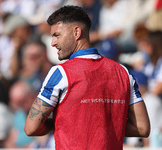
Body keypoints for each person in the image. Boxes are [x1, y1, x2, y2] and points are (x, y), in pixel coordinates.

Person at [24, 5, 150, 150]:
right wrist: (102, 127)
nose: (53, 42)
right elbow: (142, 127)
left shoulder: (60, 73)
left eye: (56, 35)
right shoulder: (123, 72)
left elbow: (31, 128)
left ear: (76, 32)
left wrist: (68, 123)